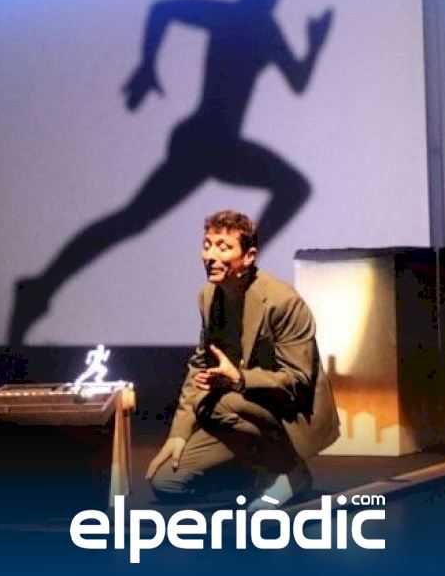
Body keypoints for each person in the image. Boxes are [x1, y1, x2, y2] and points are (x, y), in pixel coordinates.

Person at [7, 0, 332, 347]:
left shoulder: (266, 28)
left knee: (135, 218)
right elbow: (163, 9)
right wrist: (148, 64)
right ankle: (39, 288)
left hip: (220, 145)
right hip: (203, 141)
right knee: (132, 219)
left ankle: (41, 288)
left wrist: (314, 45)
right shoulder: (232, 16)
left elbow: (297, 80)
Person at [145, 210, 339, 510]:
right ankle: (257, 470)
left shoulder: (282, 302)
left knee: (217, 404)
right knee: (167, 482)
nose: (211, 256)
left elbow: (298, 380)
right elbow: (200, 365)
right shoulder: (208, 296)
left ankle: (292, 472)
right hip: (242, 414)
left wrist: (239, 379)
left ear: (248, 256)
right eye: (207, 245)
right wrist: (179, 434)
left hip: (287, 412)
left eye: (223, 247)